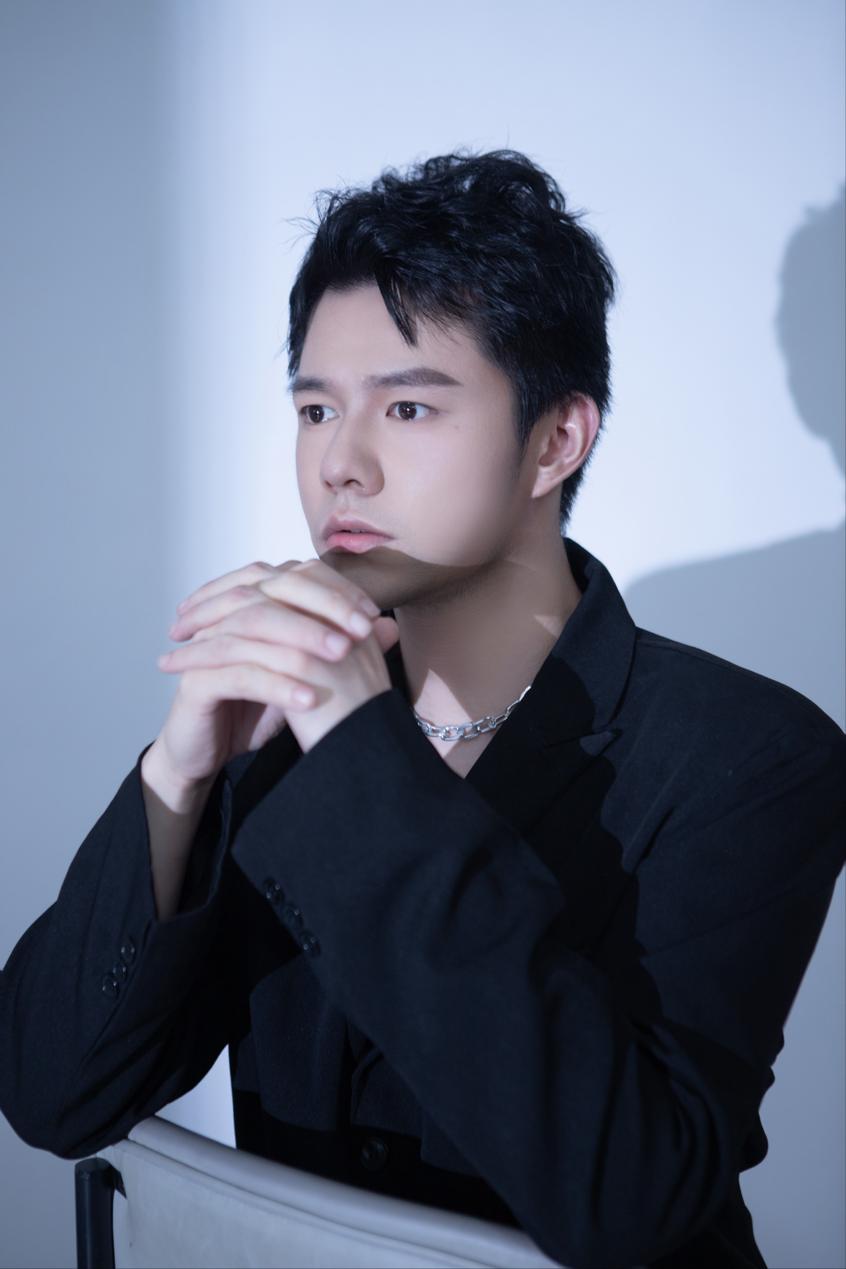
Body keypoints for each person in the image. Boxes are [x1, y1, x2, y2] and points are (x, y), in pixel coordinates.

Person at [1, 147, 844, 1269]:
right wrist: (178, 777)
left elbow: (626, 1198)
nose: (340, 465)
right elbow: (54, 1096)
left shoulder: (754, 755)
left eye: (406, 406)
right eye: (315, 408)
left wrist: (363, 760)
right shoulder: (277, 728)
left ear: (556, 440)